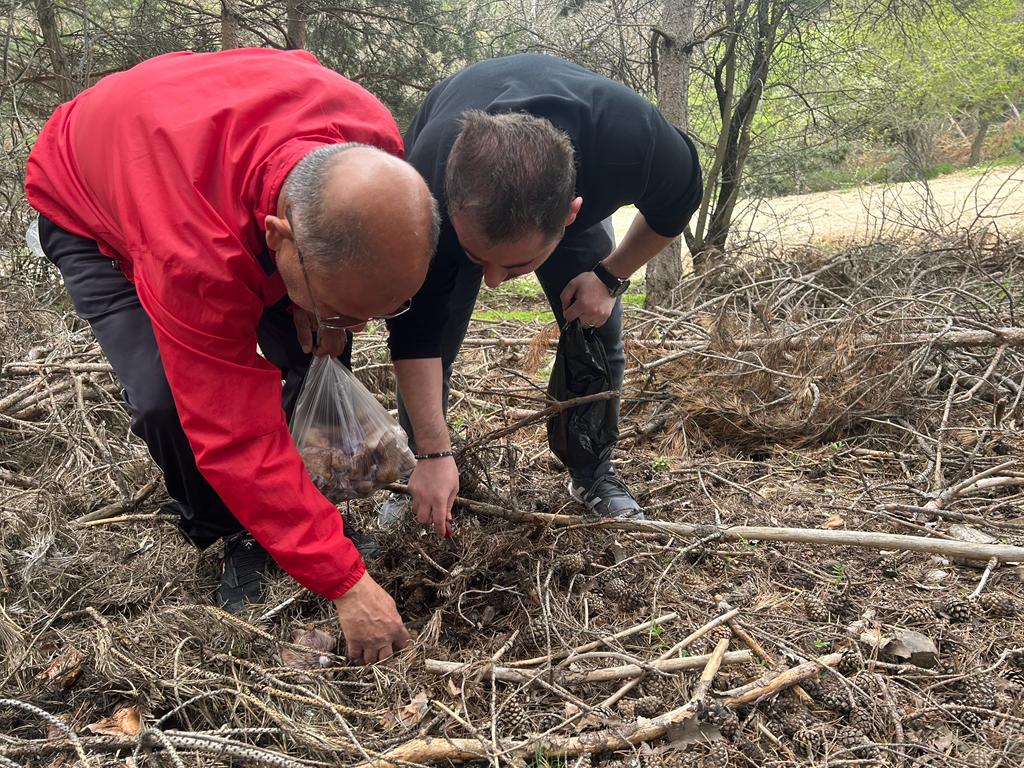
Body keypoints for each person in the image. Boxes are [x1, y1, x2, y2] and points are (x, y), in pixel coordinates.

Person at [25, 48, 439, 664]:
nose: (351, 328)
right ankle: (231, 531)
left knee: (309, 356)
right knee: (167, 399)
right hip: (98, 207)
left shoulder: (370, 139)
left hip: (219, 160)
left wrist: (328, 316)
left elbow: (341, 257)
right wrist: (345, 583)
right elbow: (235, 432)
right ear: (279, 239)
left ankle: (318, 505)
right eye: (338, 307)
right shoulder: (193, 256)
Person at [384, 53, 703, 534]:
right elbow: (413, 336)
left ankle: (592, 473)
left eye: (512, 265)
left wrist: (612, 277)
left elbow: (678, 202)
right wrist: (432, 450)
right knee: (436, 325)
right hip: (452, 192)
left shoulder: (630, 139)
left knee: (595, 325)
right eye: (479, 259)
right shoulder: (426, 187)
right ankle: (421, 469)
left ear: (574, 214)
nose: (492, 282)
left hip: (566, 176)